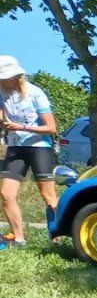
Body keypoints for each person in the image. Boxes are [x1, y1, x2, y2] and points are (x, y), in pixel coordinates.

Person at [0, 56, 59, 250]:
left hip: (39, 147)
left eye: (4, 78)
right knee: (6, 193)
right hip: (16, 147)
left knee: (48, 196)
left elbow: (51, 128)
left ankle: (59, 237)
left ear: (16, 75)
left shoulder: (35, 93)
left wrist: (22, 127)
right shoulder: (1, 92)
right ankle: (19, 239)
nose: (2, 81)